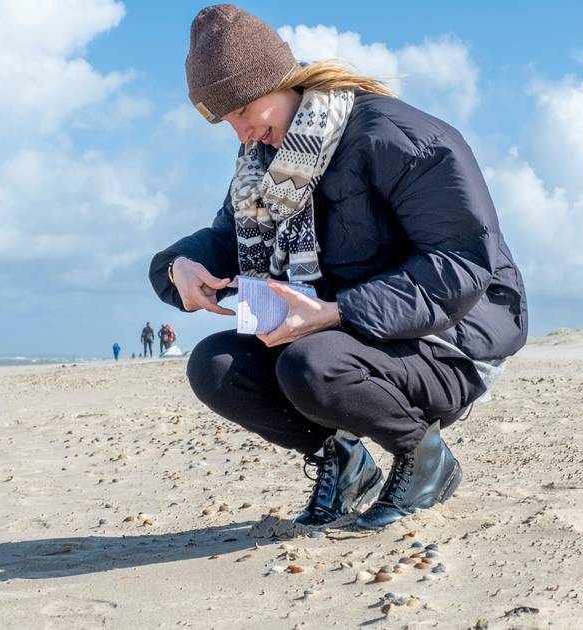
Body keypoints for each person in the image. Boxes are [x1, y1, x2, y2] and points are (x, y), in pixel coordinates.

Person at [149, 5, 527, 530]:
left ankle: (425, 459)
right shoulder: (266, 162)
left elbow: (461, 264)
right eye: (225, 120)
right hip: (344, 335)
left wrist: (335, 310)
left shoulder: (399, 136)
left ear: (280, 80)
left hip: (450, 340)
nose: (241, 133)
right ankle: (346, 462)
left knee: (309, 365)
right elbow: (225, 239)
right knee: (215, 367)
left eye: (243, 110)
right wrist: (178, 268)